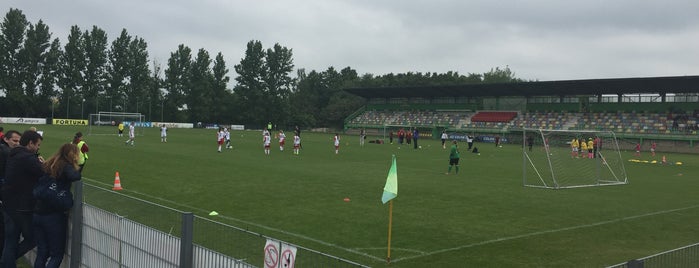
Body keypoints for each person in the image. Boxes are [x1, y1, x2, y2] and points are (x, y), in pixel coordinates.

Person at [33, 143, 81, 268]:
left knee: (42, 251)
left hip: (38, 212)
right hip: (53, 216)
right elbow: (75, 176)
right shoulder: (65, 165)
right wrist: (77, 166)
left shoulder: (51, 162)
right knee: (56, 254)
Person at [1, 130, 44, 268]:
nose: (38, 148)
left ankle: (7, 262)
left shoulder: (14, 155)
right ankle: (6, 263)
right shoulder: (27, 158)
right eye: (37, 145)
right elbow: (43, 172)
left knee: (11, 240)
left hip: (9, 204)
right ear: (30, 143)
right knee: (32, 238)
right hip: (21, 206)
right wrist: (43, 163)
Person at [0, 130, 21, 256]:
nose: (17, 143)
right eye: (14, 140)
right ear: (6, 139)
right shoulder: (7, 153)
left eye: (19, 141)